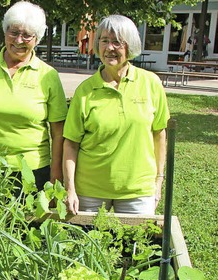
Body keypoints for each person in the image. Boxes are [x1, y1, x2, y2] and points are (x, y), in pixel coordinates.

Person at [63, 15, 169, 215]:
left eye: (117, 42)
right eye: (104, 41)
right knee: (88, 245)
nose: (109, 48)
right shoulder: (85, 91)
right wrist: (71, 189)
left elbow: (159, 134)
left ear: (130, 46)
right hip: (90, 191)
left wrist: (158, 181)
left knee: (136, 246)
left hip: (137, 190)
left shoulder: (151, 84)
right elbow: (71, 143)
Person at [0, 1, 68, 191]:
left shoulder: (48, 75)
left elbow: (58, 132)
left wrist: (56, 173)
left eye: (27, 35)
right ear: (5, 31)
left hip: (32, 173)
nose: (18, 41)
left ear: (37, 39)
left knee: (29, 221)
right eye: (14, 32)